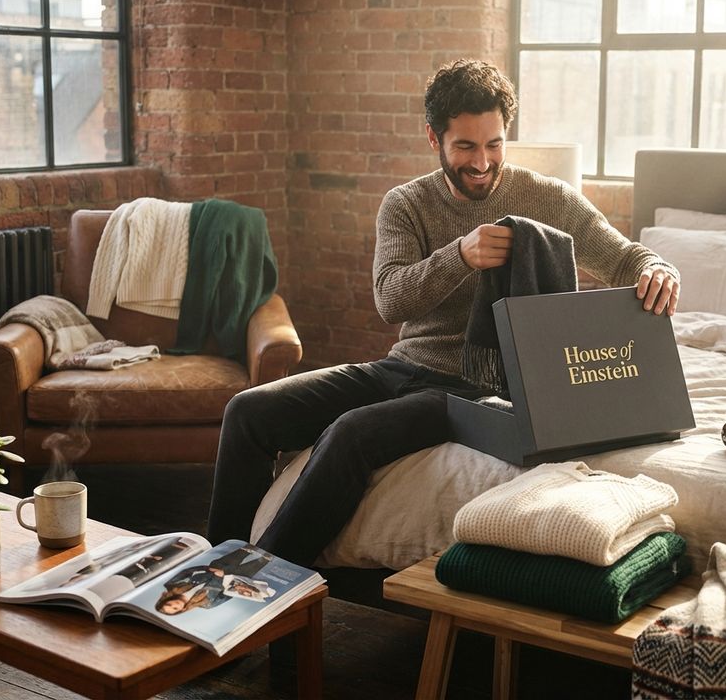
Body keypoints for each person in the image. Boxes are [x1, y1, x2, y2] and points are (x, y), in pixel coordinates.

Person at [206, 58, 680, 567]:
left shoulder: (548, 199)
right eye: (466, 147)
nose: (482, 162)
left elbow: (624, 258)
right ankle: (215, 567)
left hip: (467, 388)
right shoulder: (405, 204)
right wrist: (460, 255)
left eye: (494, 144)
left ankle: (259, 590)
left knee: (351, 433)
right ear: (434, 139)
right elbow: (390, 300)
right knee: (248, 412)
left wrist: (657, 268)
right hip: (400, 367)